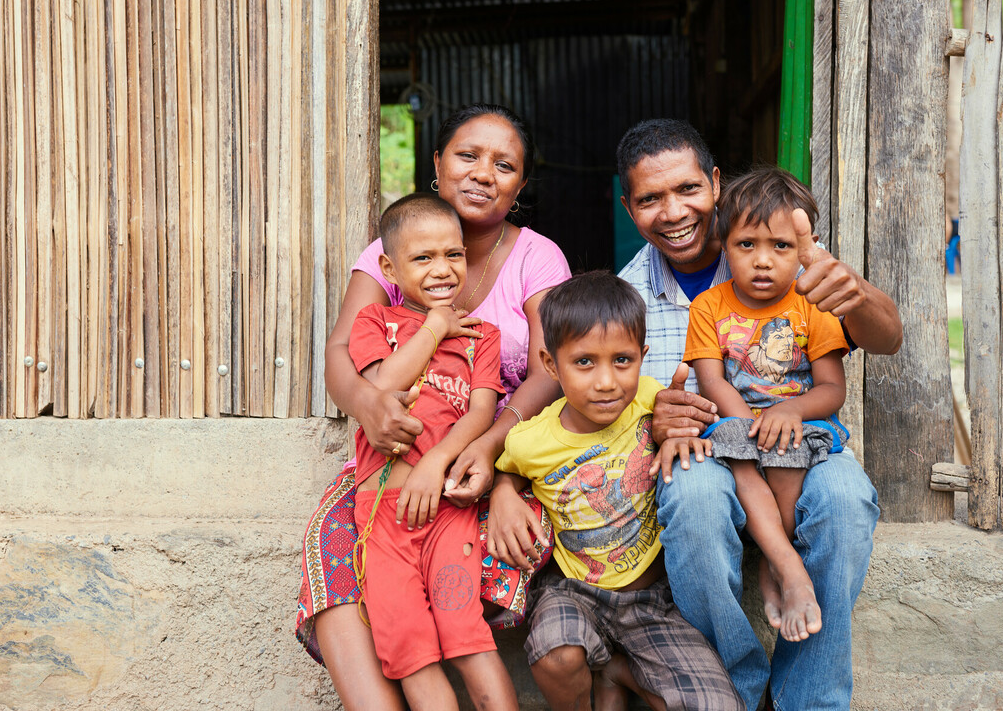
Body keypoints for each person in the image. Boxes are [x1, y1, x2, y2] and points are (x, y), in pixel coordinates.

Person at [613, 119, 902, 711]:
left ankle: (810, 700)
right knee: (690, 501)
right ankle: (730, 693)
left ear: (715, 184)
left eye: (687, 189)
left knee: (846, 500)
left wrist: (855, 288)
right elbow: (609, 405)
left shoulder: (785, 255)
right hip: (713, 449)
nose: (673, 212)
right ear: (628, 208)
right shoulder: (625, 297)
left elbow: (886, 339)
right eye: (650, 199)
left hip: (802, 438)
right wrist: (652, 419)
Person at [296, 104, 570, 709]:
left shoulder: (537, 256)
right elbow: (343, 351)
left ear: (520, 186)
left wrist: (485, 454)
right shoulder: (390, 250)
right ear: (438, 165)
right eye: (467, 155)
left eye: (505, 165)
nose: (483, 173)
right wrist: (370, 405)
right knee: (338, 552)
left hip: (497, 452)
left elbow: (553, 369)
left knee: (469, 586)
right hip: (391, 456)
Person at [493, 271, 743, 710]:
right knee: (555, 653)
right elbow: (509, 469)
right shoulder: (529, 439)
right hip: (571, 593)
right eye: (584, 362)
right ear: (551, 365)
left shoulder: (652, 399)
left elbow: (691, 425)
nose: (607, 381)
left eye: (622, 361)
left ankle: (615, 670)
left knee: (717, 705)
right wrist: (502, 495)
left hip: (654, 600)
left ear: (643, 357)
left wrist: (684, 431)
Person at [345, 194, 516, 709]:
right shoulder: (376, 322)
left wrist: (436, 461)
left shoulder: (483, 335)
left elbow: (481, 412)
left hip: (448, 512)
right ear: (389, 267)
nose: (442, 269)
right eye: (423, 258)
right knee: (409, 648)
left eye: (454, 255)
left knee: (464, 634)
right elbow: (384, 387)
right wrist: (436, 326)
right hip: (385, 516)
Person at [683, 167, 849, 645]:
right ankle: (787, 566)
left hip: (802, 421)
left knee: (785, 451)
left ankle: (774, 567)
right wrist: (746, 425)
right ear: (723, 244)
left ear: (805, 246)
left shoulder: (813, 306)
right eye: (746, 245)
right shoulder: (708, 307)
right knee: (739, 455)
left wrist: (788, 413)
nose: (762, 261)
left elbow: (831, 389)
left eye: (780, 246)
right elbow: (711, 379)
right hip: (735, 418)